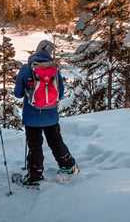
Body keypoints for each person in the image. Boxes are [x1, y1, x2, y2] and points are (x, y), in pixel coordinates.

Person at [13, 40, 78, 186]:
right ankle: (68, 165)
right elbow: (60, 94)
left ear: (37, 50)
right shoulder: (54, 70)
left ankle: (35, 175)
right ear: (50, 53)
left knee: (35, 146)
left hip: (31, 117)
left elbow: (17, 94)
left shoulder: (26, 69)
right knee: (55, 142)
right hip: (51, 116)